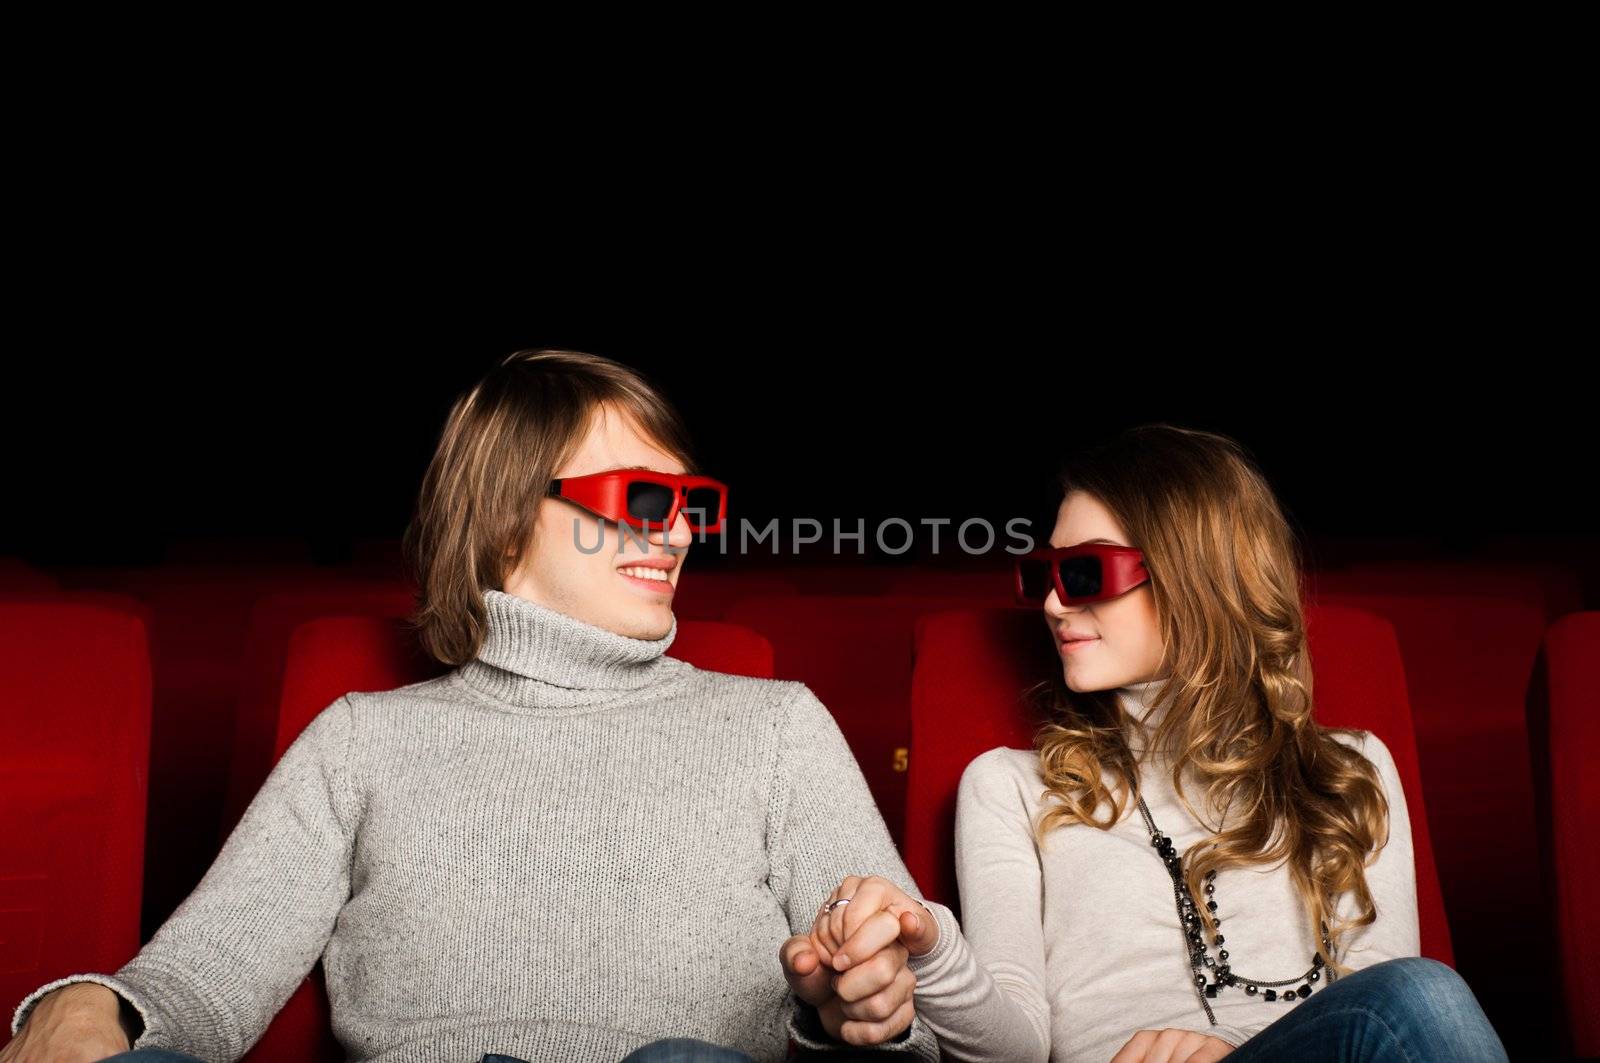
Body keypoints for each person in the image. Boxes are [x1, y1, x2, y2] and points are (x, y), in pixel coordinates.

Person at [3, 349, 938, 1063]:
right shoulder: (362, 740)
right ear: (500, 520)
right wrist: (92, 1001)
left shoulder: (776, 727)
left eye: (690, 499)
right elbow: (203, 983)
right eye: (642, 496)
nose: (680, 528)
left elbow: (910, 1025)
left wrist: (862, 1015)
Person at [801, 424, 1511, 1062]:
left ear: (1195, 579)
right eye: (1044, 574)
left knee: (1422, 993)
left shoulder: (1350, 768)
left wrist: (1226, 1049)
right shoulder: (1009, 785)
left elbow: (1376, 1009)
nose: (1052, 602)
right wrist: (931, 944)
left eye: (1085, 573)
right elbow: (1016, 1044)